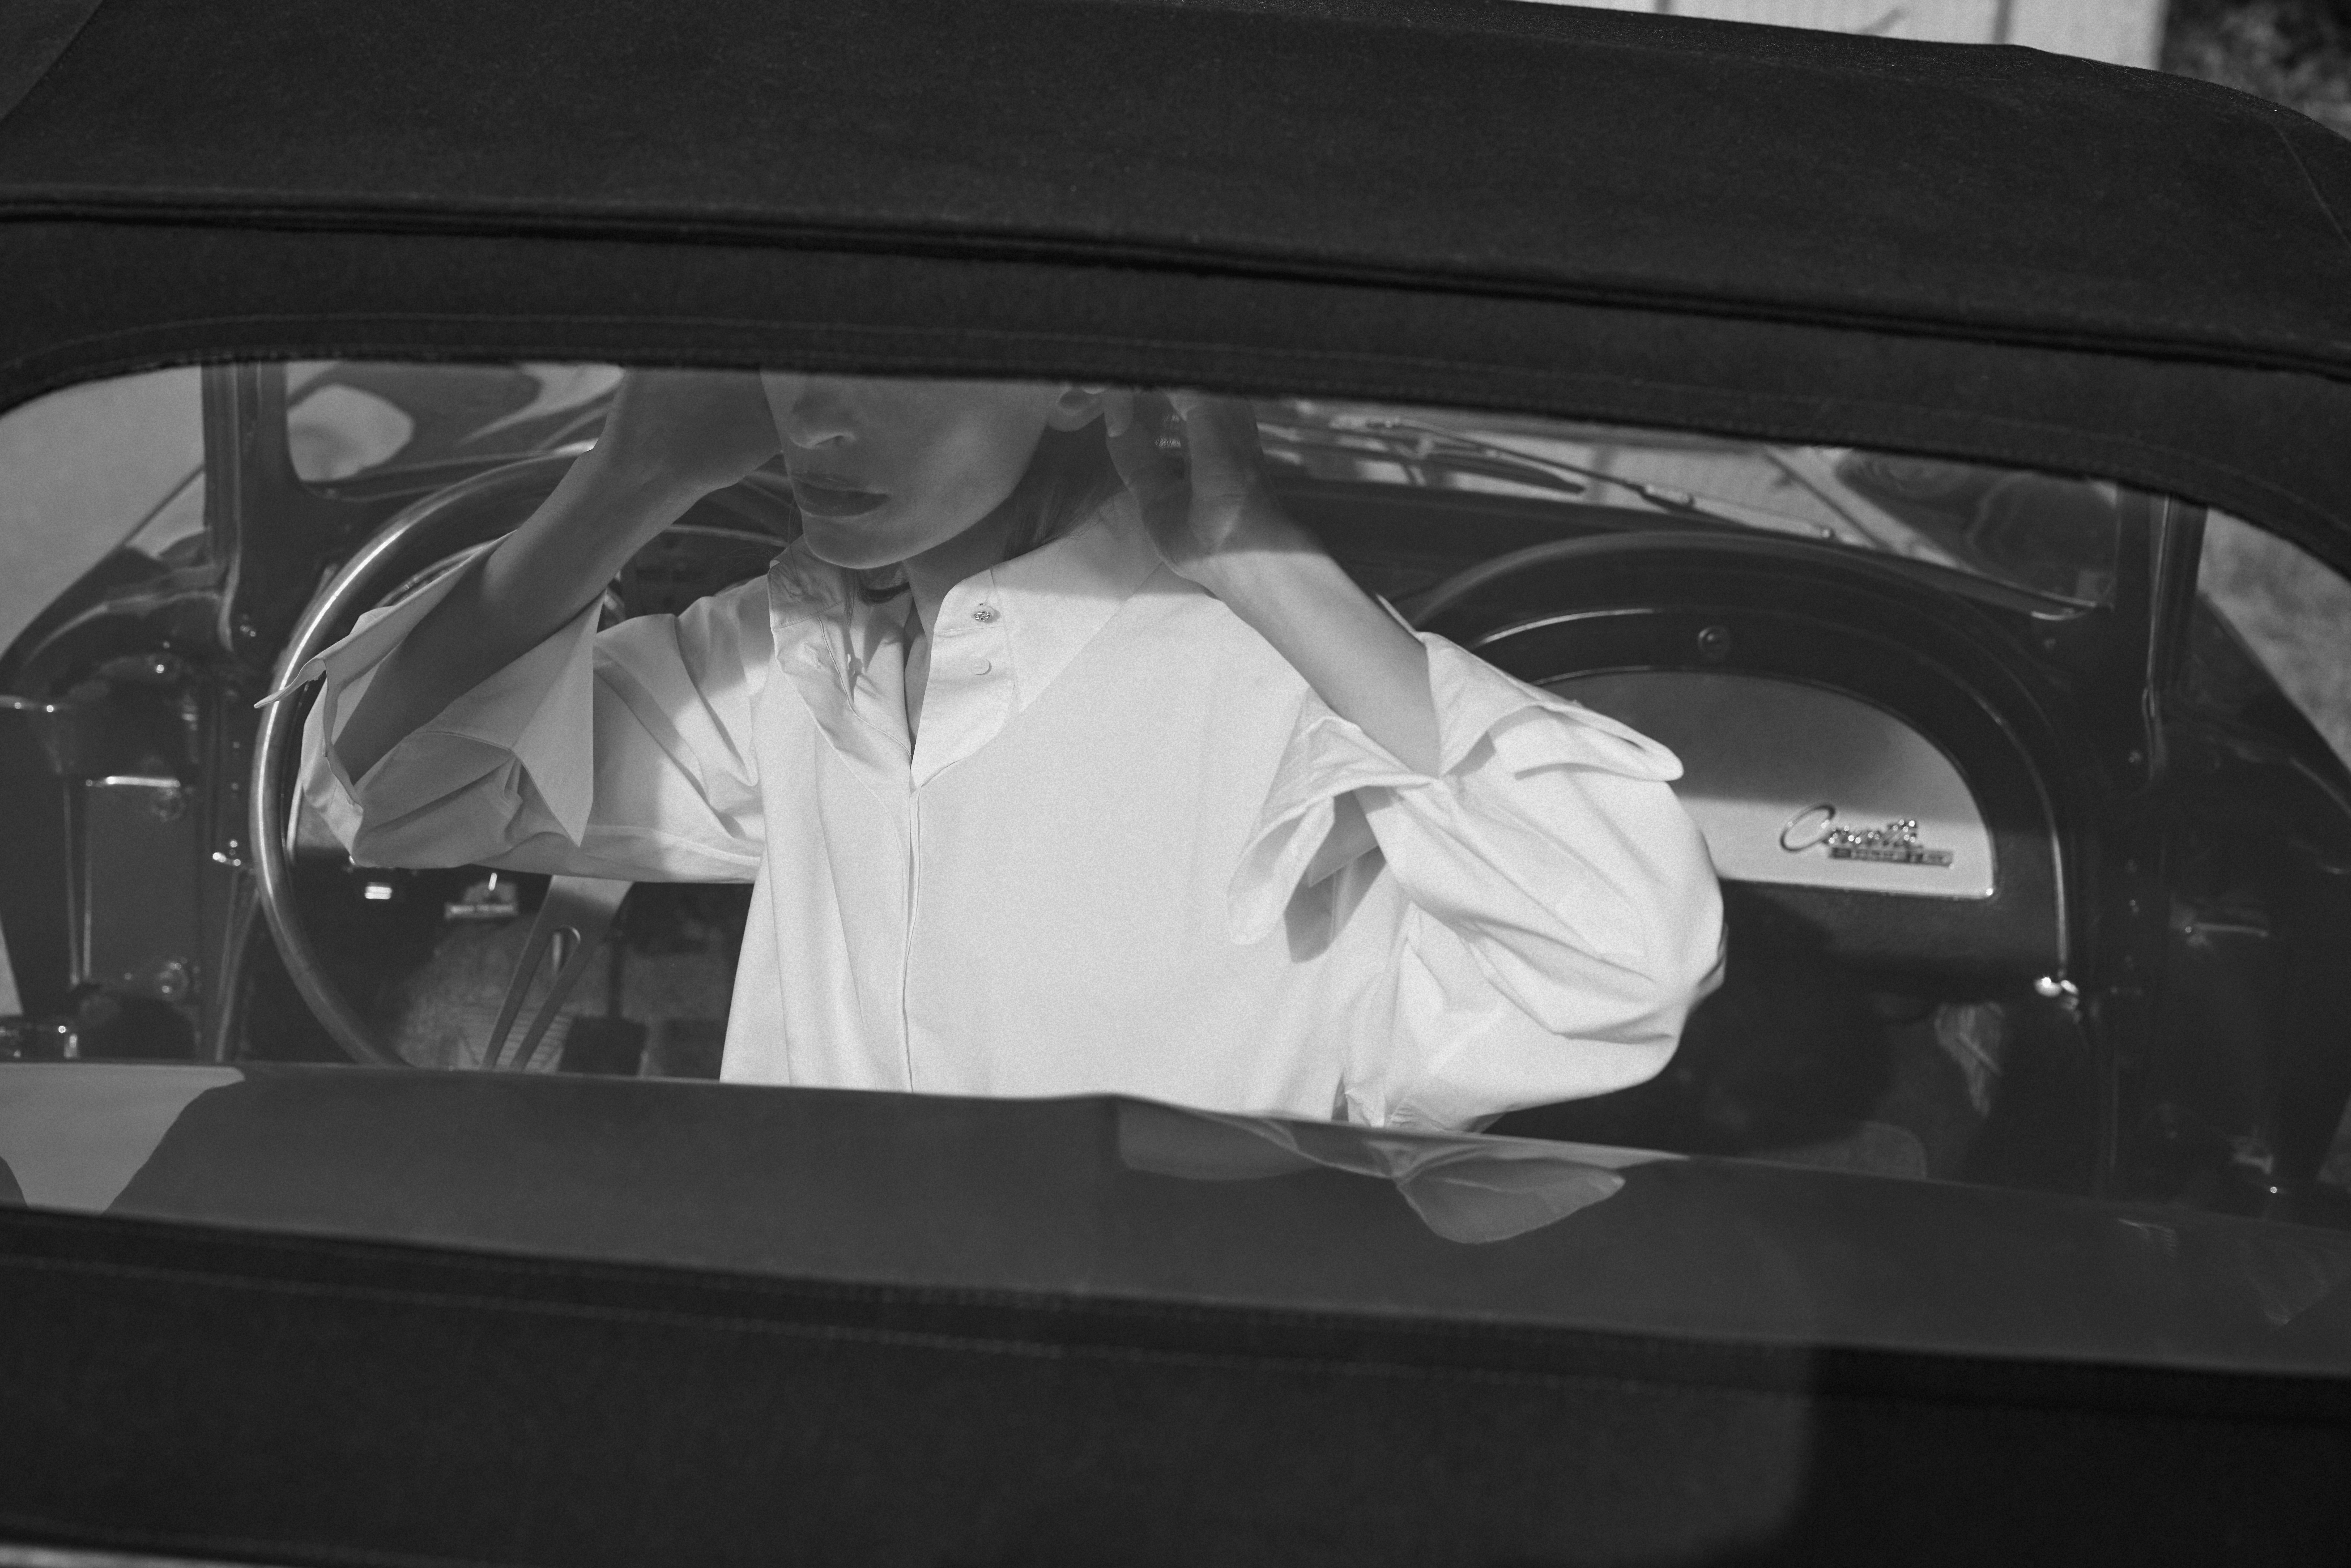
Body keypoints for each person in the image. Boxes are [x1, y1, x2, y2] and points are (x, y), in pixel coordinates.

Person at [280, 370, 1723, 1129]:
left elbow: (1618, 956)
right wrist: (628, 478)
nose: (825, 421)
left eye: (903, 362)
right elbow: (395, 794)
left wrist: (1263, 564)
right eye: (799, 349)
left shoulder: (1274, 680)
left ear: (1078, 384)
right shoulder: (790, 653)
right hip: (802, 1402)